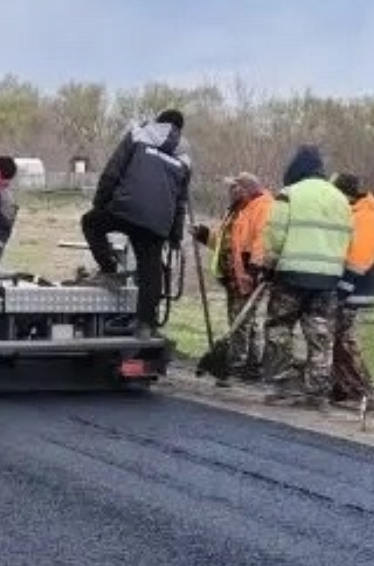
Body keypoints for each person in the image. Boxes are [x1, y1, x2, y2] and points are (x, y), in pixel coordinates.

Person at [252, 144, 354, 406]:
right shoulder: (341, 199)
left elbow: (275, 234)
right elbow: (348, 238)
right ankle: (317, 393)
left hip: (291, 275)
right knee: (320, 335)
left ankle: (281, 384)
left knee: (278, 328)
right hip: (328, 279)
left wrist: (268, 266)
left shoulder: (289, 194)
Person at [78, 108, 193, 338]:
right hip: (158, 222)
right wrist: (175, 236)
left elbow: (113, 171)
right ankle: (145, 324)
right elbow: (180, 202)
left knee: (91, 223)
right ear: (179, 129)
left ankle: (109, 270)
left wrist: (100, 203)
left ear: (158, 121)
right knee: (151, 269)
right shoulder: (185, 158)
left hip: (125, 209)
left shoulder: (138, 135)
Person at [192, 171, 271, 377]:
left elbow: (261, 242)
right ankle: (246, 363)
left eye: (234, 187)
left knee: (243, 321)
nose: (230, 191)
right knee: (241, 319)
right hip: (232, 276)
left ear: (245, 190)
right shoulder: (235, 211)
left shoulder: (262, 208)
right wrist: (204, 234)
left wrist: (254, 271)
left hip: (248, 274)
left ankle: (243, 363)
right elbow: (224, 242)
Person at [330, 172, 374, 407]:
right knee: (337, 338)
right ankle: (344, 387)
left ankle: (364, 392)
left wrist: (342, 290)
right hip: (349, 288)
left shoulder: (365, 218)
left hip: (354, 289)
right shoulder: (357, 214)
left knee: (343, 340)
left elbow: (358, 259)